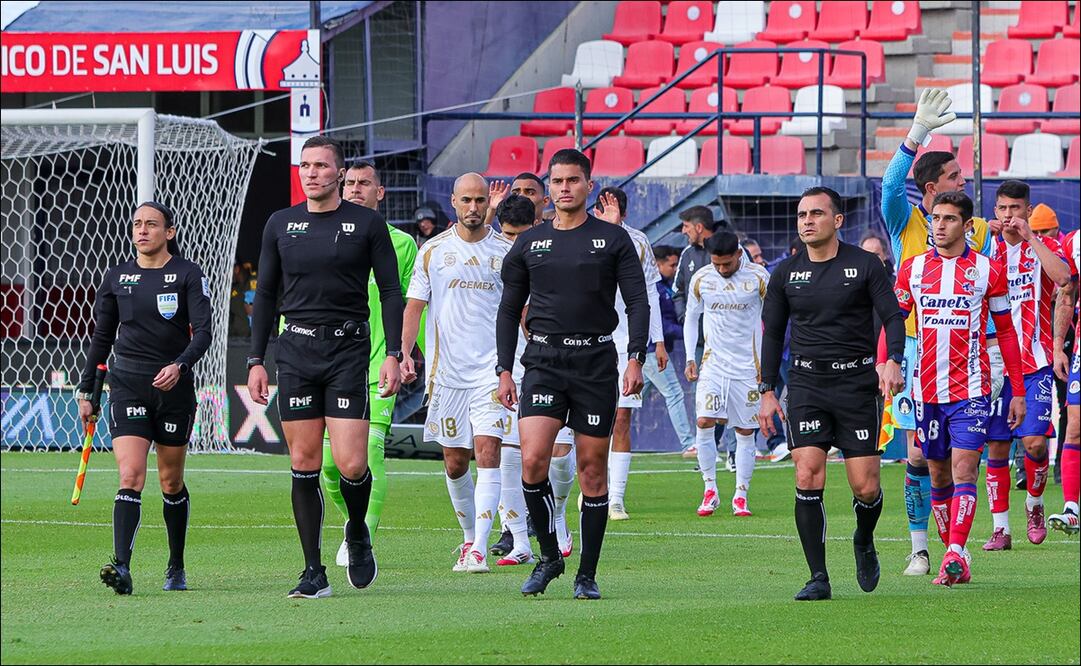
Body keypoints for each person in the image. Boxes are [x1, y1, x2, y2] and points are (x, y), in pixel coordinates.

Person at [247, 136, 404, 598]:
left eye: (320, 166)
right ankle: (313, 572)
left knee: (353, 463)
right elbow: (267, 296)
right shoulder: (280, 224)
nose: (311, 172)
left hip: (347, 352)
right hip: (295, 352)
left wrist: (394, 352)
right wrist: (257, 360)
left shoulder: (366, 224)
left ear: (338, 174)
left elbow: (391, 292)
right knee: (303, 462)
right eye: (305, 165)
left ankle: (357, 531)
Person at [496, 148, 649, 600]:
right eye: (557, 182)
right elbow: (508, 311)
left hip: (595, 364)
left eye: (573, 181)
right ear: (548, 190)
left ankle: (587, 574)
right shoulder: (529, 243)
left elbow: (638, 301)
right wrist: (504, 369)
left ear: (588, 185)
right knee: (532, 461)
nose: (565, 188)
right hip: (543, 362)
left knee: (591, 471)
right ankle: (548, 556)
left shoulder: (613, 239)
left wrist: (635, 356)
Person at [758, 186, 905, 601]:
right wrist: (767, 390)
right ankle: (818, 577)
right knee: (807, 473)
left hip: (857, 385)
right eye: (802, 214)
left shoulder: (865, 265)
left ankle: (863, 538)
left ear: (837, 220)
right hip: (806, 384)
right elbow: (772, 336)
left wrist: (892, 358)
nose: (807, 221)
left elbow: (893, 316)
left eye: (817, 214)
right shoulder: (785, 273)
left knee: (866, 488)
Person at [880, 88, 995, 577]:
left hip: (966, 355)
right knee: (917, 457)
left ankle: (955, 549)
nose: (962, 182)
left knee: (958, 462)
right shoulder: (905, 221)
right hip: (912, 349)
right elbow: (888, 187)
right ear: (929, 191)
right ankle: (919, 547)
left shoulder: (978, 231)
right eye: (952, 178)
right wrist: (916, 136)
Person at [891, 191, 1027, 586]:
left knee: (964, 468)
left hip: (971, 389)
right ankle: (954, 547)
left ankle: (954, 553)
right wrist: (889, 362)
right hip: (926, 392)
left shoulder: (987, 270)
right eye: (935, 218)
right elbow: (894, 321)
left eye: (949, 219)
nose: (939, 225)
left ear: (967, 226)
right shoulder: (913, 269)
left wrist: (1016, 390)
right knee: (937, 476)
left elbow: (1005, 331)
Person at [80, 201, 212, 595]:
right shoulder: (117, 277)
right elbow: (102, 337)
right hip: (128, 385)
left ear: (168, 232)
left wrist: (180, 366)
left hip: (174, 390)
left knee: (171, 482)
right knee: (130, 475)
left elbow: (203, 332)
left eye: (151, 224)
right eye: (137, 224)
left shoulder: (188, 273)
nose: (142, 230)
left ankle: (176, 564)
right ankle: (121, 566)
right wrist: (88, 389)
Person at [399, 172, 513, 573]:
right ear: (453, 202)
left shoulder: (506, 252)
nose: (473, 207)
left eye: (480, 201)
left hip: (491, 374)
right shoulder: (432, 251)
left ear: (488, 204)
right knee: (454, 463)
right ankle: (468, 538)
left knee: (488, 452)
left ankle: (480, 547)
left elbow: (525, 311)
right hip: (446, 377)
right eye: (466, 200)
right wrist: (404, 353)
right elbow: (414, 306)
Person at [318, 161, 420, 567]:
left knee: (369, 454)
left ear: (381, 193)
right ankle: (355, 526)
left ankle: (362, 542)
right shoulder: (322, 236)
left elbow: (414, 304)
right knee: (329, 467)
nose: (356, 189)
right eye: (351, 183)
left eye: (365, 184)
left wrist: (407, 352)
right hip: (329, 365)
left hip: (380, 362)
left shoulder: (401, 245)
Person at [487, 174, 578, 561]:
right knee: (511, 451)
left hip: (557, 360)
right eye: (506, 234)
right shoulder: (487, 254)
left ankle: (557, 518)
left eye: (518, 234)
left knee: (558, 453)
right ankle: (519, 536)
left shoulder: (555, 251)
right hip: (508, 364)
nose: (513, 243)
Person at [983, 181, 1070, 551]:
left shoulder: (1043, 246)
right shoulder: (987, 251)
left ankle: (1034, 505)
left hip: (1035, 363)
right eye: (1002, 209)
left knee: (1034, 445)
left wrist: (1030, 236)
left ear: (1027, 211)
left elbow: (1064, 278)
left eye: (1015, 209)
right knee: (997, 447)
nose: (1008, 216)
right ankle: (1001, 528)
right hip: (995, 365)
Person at [592, 187, 667, 521]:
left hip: (625, 344)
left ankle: (616, 498)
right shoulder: (578, 236)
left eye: (614, 209)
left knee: (622, 418)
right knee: (591, 423)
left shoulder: (638, 243)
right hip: (588, 340)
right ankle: (592, 487)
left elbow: (649, 292)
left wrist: (658, 341)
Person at [684, 231, 770, 517]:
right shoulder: (702, 279)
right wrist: (689, 357)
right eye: (716, 264)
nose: (722, 270)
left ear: (737, 253)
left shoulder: (758, 277)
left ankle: (740, 494)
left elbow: (773, 320)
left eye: (727, 264)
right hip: (713, 364)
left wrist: (767, 365)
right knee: (704, 421)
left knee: (745, 431)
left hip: (748, 367)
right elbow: (691, 318)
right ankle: (710, 489)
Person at [645, 244, 695, 455]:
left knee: (627, 399)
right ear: (657, 264)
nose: (675, 268)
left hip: (650, 351)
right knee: (674, 393)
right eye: (672, 264)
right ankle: (688, 443)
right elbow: (660, 324)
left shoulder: (665, 286)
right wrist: (687, 332)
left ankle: (599, 435)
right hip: (651, 350)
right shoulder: (654, 288)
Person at [1051, 228, 1081, 534]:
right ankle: (1072, 507)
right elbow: (1067, 294)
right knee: (1074, 425)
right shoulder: (1073, 242)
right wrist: (1059, 345)